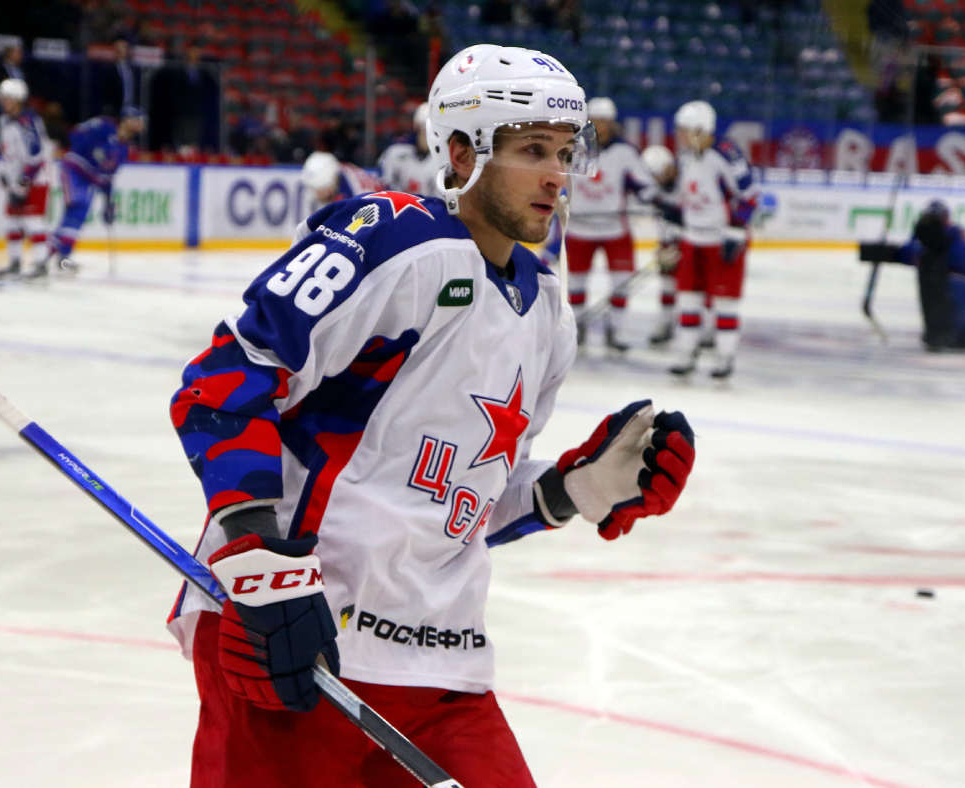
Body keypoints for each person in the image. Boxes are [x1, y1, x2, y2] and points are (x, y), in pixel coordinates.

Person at [166, 44, 695, 787]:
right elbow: (224, 381)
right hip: (297, 644)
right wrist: (259, 561)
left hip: (443, 669)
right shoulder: (395, 239)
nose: (556, 174)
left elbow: (465, 503)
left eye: (564, 152)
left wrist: (575, 489)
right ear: (461, 152)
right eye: (532, 150)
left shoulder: (547, 308)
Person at [560, 96, 658, 350]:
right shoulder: (571, 147)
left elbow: (645, 184)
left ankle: (616, 330)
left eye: (604, 121)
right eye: (595, 121)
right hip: (579, 229)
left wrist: (655, 199)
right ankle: (577, 328)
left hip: (615, 229)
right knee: (576, 283)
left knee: (622, 283)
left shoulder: (626, 151)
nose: (600, 126)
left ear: (613, 123)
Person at [669, 100, 757, 380]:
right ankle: (686, 354)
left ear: (699, 129)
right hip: (692, 239)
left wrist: (736, 230)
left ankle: (725, 357)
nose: (679, 135)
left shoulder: (727, 156)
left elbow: (750, 196)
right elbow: (686, 199)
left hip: (722, 241)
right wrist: (674, 223)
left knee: (725, 303)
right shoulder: (686, 158)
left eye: (684, 130)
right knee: (687, 300)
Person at [27, 106, 144, 280]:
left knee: (74, 219)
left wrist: (108, 203)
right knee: (77, 211)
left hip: (89, 180)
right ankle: (51, 260)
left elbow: (108, 177)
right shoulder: (105, 126)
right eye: (138, 120)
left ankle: (52, 260)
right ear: (127, 120)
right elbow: (76, 134)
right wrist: (90, 151)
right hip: (74, 171)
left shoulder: (124, 148)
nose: (141, 124)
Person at [897, 200, 965, 350]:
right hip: (939, 279)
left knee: (951, 299)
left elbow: (959, 261)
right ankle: (939, 332)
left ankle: (962, 332)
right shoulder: (923, 235)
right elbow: (907, 252)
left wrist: (935, 254)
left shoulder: (955, 234)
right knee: (935, 293)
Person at [0, 79, 51, 282]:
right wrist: (5, 174)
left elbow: (36, 156)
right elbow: (8, 153)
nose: (4, 102)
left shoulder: (27, 123)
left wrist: (24, 183)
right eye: (2, 98)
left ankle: (41, 265)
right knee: (12, 222)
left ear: (18, 100)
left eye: (8, 98)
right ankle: (15, 263)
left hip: (34, 180)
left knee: (33, 221)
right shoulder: (4, 121)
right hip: (16, 181)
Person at [641, 143, 681, 347]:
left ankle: (706, 329)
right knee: (667, 285)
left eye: (659, 174)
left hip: (691, 241)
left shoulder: (688, 180)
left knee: (698, 288)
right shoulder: (653, 189)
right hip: (669, 243)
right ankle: (666, 323)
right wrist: (664, 245)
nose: (657, 179)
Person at [377, 102, 440, 195]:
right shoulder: (396, 153)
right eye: (425, 130)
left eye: (434, 132)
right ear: (417, 128)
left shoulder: (442, 162)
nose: (429, 136)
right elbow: (383, 185)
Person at [300, 150, 383, 213]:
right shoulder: (336, 172)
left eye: (320, 188)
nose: (316, 193)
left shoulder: (355, 192)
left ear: (332, 182)